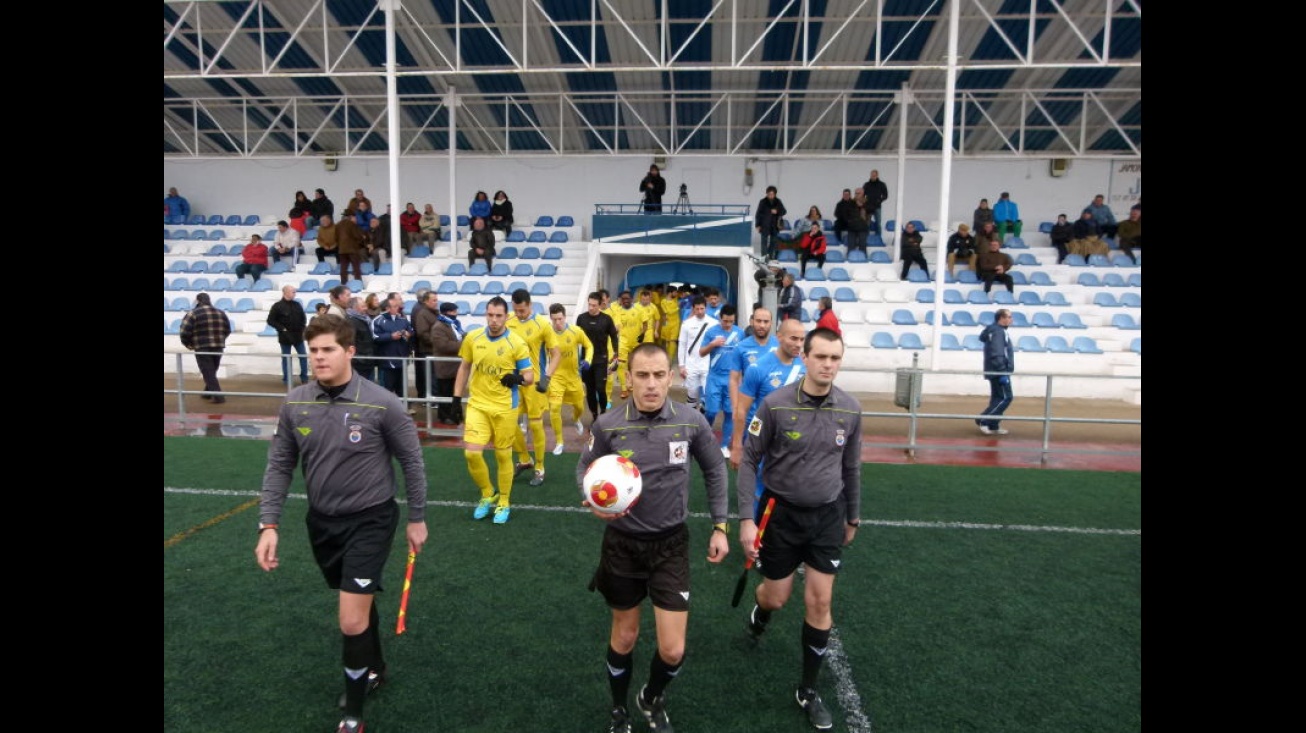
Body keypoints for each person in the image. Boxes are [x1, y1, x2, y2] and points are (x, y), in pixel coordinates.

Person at [254, 315, 428, 733]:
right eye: (313, 350)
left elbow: (412, 461)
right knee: (359, 604)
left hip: (371, 519)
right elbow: (280, 464)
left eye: (327, 349)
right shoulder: (295, 402)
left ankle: (353, 714)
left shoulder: (382, 402)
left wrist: (417, 518)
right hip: (322, 524)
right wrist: (269, 524)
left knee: (350, 619)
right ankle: (376, 667)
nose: (318, 357)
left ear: (349, 351)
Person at [576, 342, 730, 733]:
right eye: (642, 375)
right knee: (625, 636)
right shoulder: (608, 424)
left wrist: (720, 525)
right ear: (628, 378)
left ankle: (650, 696)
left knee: (673, 649)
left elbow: (715, 470)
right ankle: (618, 709)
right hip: (622, 545)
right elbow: (584, 468)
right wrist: (592, 499)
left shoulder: (690, 422)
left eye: (659, 375)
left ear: (672, 377)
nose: (650, 384)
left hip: (671, 545)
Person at [737, 327, 862, 732]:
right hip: (779, 515)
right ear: (804, 357)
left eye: (835, 358)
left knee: (821, 602)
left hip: (828, 516)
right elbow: (748, 459)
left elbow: (852, 467)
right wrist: (745, 519)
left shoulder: (851, 409)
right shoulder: (774, 406)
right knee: (777, 597)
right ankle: (762, 612)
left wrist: (853, 516)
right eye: (821, 357)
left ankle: (808, 690)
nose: (828, 365)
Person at [454, 296, 535, 524]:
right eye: (490, 315)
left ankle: (504, 501)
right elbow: (464, 367)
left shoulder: (516, 343)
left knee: (502, 455)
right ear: (486, 315)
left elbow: (530, 377)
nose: (494, 320)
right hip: (478, 404)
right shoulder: (473, 338)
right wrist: (455, 398)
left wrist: (517, 377)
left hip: (505, 407)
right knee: (471, 453)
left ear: (506, 317)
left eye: (499, 316)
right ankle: (488, 493)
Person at [728, 316, 807, 514]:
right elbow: (741, 410)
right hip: (763, 437)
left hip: (795, 440)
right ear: (779, 337)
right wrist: (737, 446)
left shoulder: (806, 367)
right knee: (759, 489)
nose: (799, 344)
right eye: (793, 338)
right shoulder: (758, 369)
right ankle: (755, 536)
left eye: (802, 339)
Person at [507, 289, 562, 487]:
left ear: (530, 305)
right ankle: (524, 459)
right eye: (516, 310)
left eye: (522, 310)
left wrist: (547, 377)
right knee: (508, 422)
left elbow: (556, 354)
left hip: (535, 383)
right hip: (514, 382)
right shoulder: (508, 321)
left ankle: (539, 466)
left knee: (536, 424)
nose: (519, 314)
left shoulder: (542, 325)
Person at [546, 304, 593, 455]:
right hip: (556, 378)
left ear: (565, 317)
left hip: (573, 377)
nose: (558, 322)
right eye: (554, 320)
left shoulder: (575, 331)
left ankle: (576, 419)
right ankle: (559, 442)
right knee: (554, 408)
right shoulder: (547, 334)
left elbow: (589, 345)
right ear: (551, 319)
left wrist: (588, 360)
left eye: (560, 319)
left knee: (579, 407)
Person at [699, 304, 741, 458]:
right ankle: (703, 438)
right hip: (715, 377)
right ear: (720, 318)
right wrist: (712, 344)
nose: (727, 324)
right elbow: (701, 352)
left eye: (730, 321)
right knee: (711, 411)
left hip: (732, 379)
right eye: (725, 321)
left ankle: (724, 445)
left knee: (730, 413)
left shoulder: (740, 333)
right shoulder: (712, 332)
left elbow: (743, 355)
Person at [728, 306, 778, 433]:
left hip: (778, 411)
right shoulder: (741, 347)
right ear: (752, 322)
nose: (762, 325)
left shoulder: (780, 346)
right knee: (754, 444)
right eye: (758, 321)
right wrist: (735, 407)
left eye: (766, 322)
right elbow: (734, 380)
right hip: (754, 413)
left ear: (771, 323)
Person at [575, 292, 621, 422]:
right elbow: (575, 338)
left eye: (594, 305)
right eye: (589, 305)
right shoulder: (581, 318)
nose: (591, 308)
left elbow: (613, 336)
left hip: (601, 358)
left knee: (601, 388)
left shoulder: (606, 319)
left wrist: (616, 354)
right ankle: (595, 416)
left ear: (600, 305)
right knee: (590, 390)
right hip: (586, 361)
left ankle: (604, 412)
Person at [179, 292, 231, 403]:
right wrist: (220, 339)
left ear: (198, 301)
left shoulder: (193, 313)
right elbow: (227, 330)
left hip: (202, 346)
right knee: (212, 370)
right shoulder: (221, 313)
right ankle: (207, 393)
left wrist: (188, 344)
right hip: (218, 346)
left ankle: (218, 397)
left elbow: (184, 331)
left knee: (208, 371)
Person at [977, 309, 1015, 435]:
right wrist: (1003, 372)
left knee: (997, 398)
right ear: (1001, 318)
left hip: (993, 370)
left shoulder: (992, 330)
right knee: (1006, 397)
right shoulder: (999, 332)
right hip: (999, 370)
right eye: (1009, 317)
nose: (1011, 319)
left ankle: (994, 424)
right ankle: (984, 420)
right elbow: (998, 353)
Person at [370, 293, 414, 399]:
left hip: (401, 359)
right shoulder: (378, 320)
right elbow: (375, 337)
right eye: (394, 307)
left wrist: (408, 334)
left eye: (397, 306)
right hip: (387, 361)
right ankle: (385, 411)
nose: (397, 309)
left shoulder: (402, 319)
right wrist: (390, 336)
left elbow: (411, 330)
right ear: (387, 308)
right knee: (386, 389)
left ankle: (403, 409)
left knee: (402, 388)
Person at [677, 295, 716, 412]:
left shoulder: (714, 323)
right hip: (691, 365)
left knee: (708, 394)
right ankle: (691, 419)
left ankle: (706, 422)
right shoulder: (686, 324)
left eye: (702, 309)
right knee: (692, 394)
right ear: (693, 309)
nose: (699, 311)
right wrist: (681, 365)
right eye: (697, 309)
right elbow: (682, 345)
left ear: (706, 308)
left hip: (707, 365)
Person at [609, 290, 650, 402]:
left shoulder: (639, 309)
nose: (625, 301)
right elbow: (617, 325)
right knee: (622, 365)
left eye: (627, 299)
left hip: (636, 341)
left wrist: (643, 334)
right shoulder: (617, 311)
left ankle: (633, 384)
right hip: (623, 341)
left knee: (635, 364)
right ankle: (624, 388)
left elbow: (645, 324)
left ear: (632, 299)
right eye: (623, 299)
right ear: (621, 300)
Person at [267, 284, 310, 386]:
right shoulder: (277, 306)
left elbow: (303, 318)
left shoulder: (297, 305)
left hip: (298, 336)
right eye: (293, 292)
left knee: (303, 356)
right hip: (285, 336)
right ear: (285, 292)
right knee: (286, 358)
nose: (295, 294)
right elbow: (270, 320)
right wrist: (282, 328)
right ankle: (287, 379)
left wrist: (302, 328)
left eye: (295, 292)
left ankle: (304, 378)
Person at [432, 301, 466, 425]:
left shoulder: (454, 324)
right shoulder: (438, 327)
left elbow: (461, 336)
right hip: (445, 366)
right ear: (447, 312)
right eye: (453, 311)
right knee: (445, 391)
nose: (456, 314)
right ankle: (445, 416)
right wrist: (463, 345)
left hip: (455, 365)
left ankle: (455, 414)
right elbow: (443, 345)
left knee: (455, 391)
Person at [410, 289, 441, 404]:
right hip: (427, 350)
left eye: (436, 300)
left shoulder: (433, 312)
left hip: (431, 349)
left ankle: (432, 398)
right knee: (430, 375)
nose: (436, 302)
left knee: (432, 375)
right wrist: (437, 342)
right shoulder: (422, 314)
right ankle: (431, 399)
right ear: (426, 301)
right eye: (433, 300)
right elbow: (423, 333)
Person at [346, 296, 376, 382]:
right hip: (359, 364)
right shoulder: (351, 322)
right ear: (355, 308)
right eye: (363, 306)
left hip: (367, 361)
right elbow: (350, 343)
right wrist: (359, 359)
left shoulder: (364, 319)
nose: (366, 308)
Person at [754, 185, 788, 260]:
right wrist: (757, 225)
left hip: (774, 225)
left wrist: (777, 211)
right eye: (769, 194)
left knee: (773, 242)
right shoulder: (762, 201)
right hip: (764, 224)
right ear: (766, 194)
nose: (770, 195)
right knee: (764, 243)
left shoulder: (778, 201)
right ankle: (764, 258)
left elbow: (784, 211)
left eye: (772, 194)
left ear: (775, 194)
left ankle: (769, 256)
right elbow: (758, 214)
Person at [335, 214, 366, 287]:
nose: (356, 219)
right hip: (352, 249)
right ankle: (359, 284)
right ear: (350, 217)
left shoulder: (338, 225)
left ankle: (343, 284)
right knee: (356, 268)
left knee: (343, 268)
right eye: (355, 217)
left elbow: (335, 237)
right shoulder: (351, 224)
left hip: (342, 249)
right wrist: (362, 238)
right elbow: (356, 235)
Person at [861, 169, 889, 234]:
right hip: (868, 206)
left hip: (877, 206)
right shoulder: (866, 184)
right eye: (871, 175)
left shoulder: (882, 184)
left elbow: (885, 195)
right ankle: (866, 238)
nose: (873, 176)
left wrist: (879, 200)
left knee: (878, 223)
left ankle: (879, 237)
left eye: (874, 175)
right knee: (867, 223)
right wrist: (864, 202)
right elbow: (862, 195)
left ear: (877, 175)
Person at [845, 188, 871, 253]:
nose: (856, 195)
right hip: (852, 228)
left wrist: (862, 206)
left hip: (863, 227)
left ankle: (863, 260)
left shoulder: (867, 203)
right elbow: (846, 213)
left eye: (858, 193)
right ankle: (849, 260)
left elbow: (870, 213)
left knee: (862, 246)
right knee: (850, 247)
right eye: (855, 193)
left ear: (862, 194)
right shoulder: (850, 202)